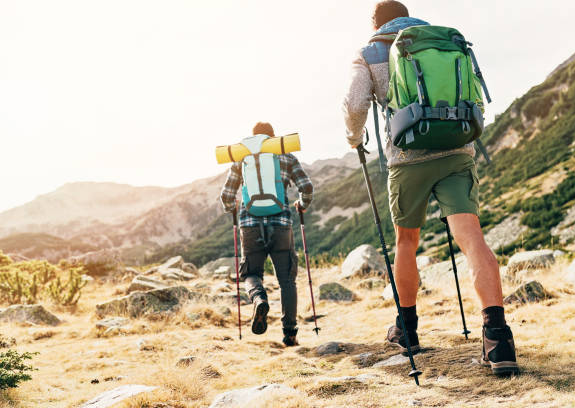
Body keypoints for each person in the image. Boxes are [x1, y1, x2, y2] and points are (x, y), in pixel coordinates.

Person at [342, 0, 519, 375]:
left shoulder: (370, 51)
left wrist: (353, 138)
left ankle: (407, 330)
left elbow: (355, 103)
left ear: (375, 24)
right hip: (457, 148)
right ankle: (499, 340)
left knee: (407, 242)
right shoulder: (444, 41)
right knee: (472, 240)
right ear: (407, 15)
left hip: (408, 160)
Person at [220, 122, 314, 346]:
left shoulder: (241, 158)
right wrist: (302, 204)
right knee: (286, 280)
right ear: (273, 138)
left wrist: (232, 207)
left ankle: (259, 299)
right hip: (281, 223)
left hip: (250, 225)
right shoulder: (285, 156)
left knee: (251, 273)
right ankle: (289, 333)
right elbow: (307, 186)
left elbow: (226, 195)